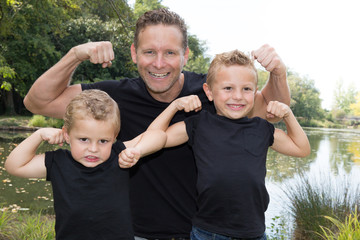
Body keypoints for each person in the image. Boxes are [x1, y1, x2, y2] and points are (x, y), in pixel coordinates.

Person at [23, 8, 291, 239]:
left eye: (170, 53)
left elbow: (271, 113)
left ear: (185, 55)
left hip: (202, 233)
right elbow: (38, 103)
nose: (159, 63)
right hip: (133, 233)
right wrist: (74, 55)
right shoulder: (112, 99)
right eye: (149, 52)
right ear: (134, 53)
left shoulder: (215, 93)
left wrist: (277, 73)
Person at [120, 49, 310, 240]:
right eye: (228, 88)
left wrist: (288, 115)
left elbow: (301, 149)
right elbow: (158, 136)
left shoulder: (261, 129)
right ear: (209, 92)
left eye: (246, 89)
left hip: (253, 233)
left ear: (255, 92)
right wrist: (174, 106)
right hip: (207, 232)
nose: (237, 96)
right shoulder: (199, 124)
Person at [5, 89, 166, 240]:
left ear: (114, 136)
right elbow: (14, 166)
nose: (93, 149)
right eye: (84, 139)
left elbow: (158, 136)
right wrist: (38, 135)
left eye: (103, 141)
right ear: (67, 135)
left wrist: (138, 150)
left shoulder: (119, 155)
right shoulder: (58, 162)